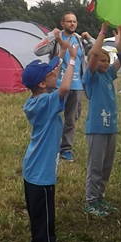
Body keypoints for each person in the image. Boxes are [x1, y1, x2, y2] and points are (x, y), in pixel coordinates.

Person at [20, 42, 78, 242]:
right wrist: (73, 60)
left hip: (35, 170)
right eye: (51, 73)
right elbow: (64, 89)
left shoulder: (37, 100)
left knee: (41, 214)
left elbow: (55, 72)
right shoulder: (47, 101)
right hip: (40, 173)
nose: (56, 72)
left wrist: (62, 55)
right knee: (44, 215)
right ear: (43, 83)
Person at [81, 23, 121, 217]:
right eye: (101, 61)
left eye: (106, 60)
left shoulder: (108, 75)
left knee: (106, 167)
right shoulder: (90, 77)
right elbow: (93, 54)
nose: (104, 63)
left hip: (111, 129)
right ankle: (91, 201)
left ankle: (100, 198)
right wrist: (101, 33)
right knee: (96, 166)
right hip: (97, 129)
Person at [34, 12, 92, 162]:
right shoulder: (56, 39)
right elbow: (37, 50)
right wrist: (51, 36)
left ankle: (66, 149)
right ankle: (49, 146)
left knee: (71, 119)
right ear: (62, 23)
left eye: (74, 21)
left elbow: (95, 51)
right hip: (57, 85)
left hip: (77, 85)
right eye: (69, 21)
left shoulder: (79, 40)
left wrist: (89, 38)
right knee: (53, 116)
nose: (72, 24)